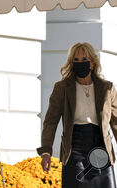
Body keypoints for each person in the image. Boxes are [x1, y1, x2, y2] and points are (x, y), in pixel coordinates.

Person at [36, 42, 117, 188]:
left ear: (92, 63)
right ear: (71, 63)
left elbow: (116, 122)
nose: (81, 63)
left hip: (101, 149)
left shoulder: (107, 88)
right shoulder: (62, 88)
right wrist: (46, 151)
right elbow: (50, 121)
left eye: (84, 60)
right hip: (75, 149)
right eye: (76, 60)